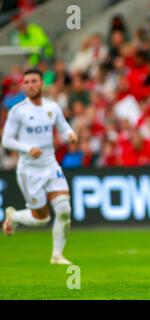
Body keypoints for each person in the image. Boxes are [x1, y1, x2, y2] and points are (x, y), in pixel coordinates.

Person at [1, 69, 77, 265]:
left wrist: (70, 134)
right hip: (29, 171)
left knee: (64, 210)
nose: (30, 85)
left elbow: (63, 126)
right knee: (41, 219)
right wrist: (27, 148)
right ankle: (14, 216)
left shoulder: (52, 107)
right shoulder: (18, 111)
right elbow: (6, 140)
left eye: (34, 81)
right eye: (26, 82)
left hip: (51, 165)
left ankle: (57, 255)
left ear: (42, 84)